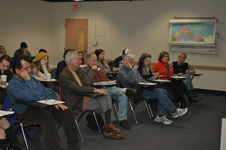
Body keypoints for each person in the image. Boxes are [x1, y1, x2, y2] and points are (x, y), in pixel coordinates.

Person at [7, 55, 81, 150]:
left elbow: (44, 90)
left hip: (43, 106)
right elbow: (27, 97)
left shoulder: (31, 78)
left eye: (29, 67)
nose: (30, 70)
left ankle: (74, 145)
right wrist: (27, 81)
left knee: (67, 113)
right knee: (47, 119)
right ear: (17, 70)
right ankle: (56, 148)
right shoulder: (13, 85)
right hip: (27, 111)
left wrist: (55, 102)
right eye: (26, 68)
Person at [59, 51, 124, 139]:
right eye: (78, 59)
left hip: (84, 98)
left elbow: (86, 84)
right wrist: (95, 90)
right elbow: (77, 88)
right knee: (104, 99)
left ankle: (108, 126)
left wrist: (87, 95)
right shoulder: (64, 75)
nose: (81, 61)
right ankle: (108, 127)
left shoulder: (77, 72)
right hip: (76, 102)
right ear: (71, 61)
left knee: (106, 95)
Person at [117, 54, 188, 125]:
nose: (132, 64)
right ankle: (173, 111)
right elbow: (132, 81)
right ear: (126, 62)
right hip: (134, 91)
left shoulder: (134, 70)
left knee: (163, 90)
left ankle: (161, 115)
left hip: (142, 88)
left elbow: (141, 79)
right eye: (131, 63)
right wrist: (131, 69)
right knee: (159, 92)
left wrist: (148, 83)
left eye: (133, 62)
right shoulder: (121, 72)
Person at [80, 53, 134, 130]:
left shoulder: (99, 68)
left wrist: (109, 82)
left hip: (107, 88)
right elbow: (87, 82)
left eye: (96, 61)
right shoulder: (83, 70)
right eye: (93, 61)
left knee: (123, 96)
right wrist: (92, 70)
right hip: (96, 90)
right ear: (88, 61)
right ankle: (123, 90)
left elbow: (105, 78)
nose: (95, 63)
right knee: (118, 92)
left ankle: (122, 120)